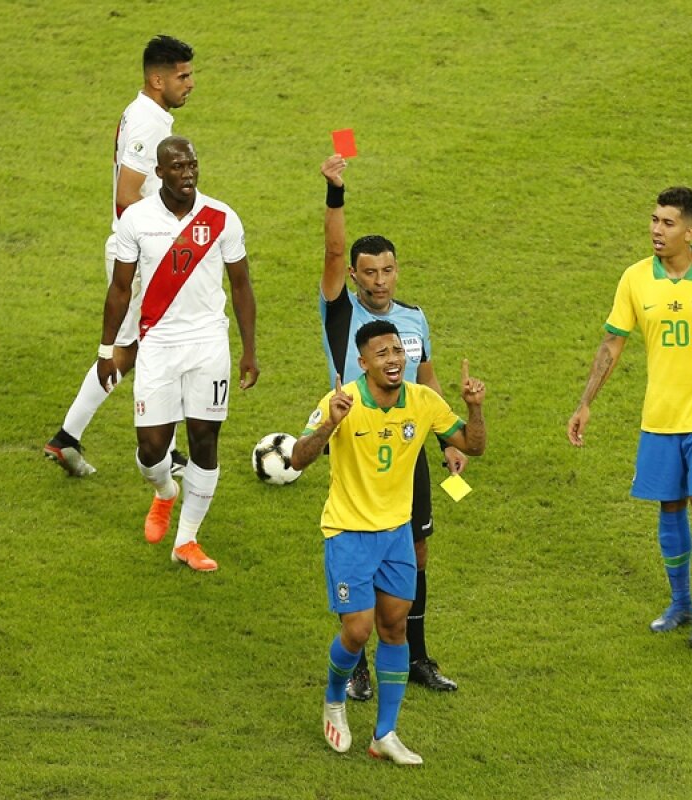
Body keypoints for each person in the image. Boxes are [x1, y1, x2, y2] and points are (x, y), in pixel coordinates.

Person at [567, 187, 692, 650]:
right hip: (659, 419)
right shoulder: (635, 279)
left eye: (667, 223)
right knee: (669, 508)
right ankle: (680, 604)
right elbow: (612, 344)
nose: (656, 229)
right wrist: (586, 401)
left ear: (690, 231)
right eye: (654, 220)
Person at [291, 320, 486, 764]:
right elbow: (298, 458)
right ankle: (334, 698)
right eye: (382, 354)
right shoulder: (342, 402)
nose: (394, 359)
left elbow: (473, 447)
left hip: (397, 534)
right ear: (363, 363)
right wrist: (329, 427)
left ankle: (385, 734)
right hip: (348, 532)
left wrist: (474, 408)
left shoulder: (422, 401)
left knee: (395, 628)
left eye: (397, 351)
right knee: (357, 631)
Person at [318, 155, 466, 698]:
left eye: (388, 271)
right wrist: (336, 192)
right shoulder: (338, 311)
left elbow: (427, 383)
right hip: (355, 446)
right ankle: (357, 663)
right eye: (369, 272)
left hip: (408, 449)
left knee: (417, 551)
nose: (379, 282)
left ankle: (418, 657)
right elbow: (333, 249)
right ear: (354, 275)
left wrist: (450, 440)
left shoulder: (414, 316)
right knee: (361, 552)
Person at [96, 136, 258, 571]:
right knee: (152, 448)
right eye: (178, 167)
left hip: (208, 343)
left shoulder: (220, 217)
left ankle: (186, 540)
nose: (188, 173)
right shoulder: (137, 219)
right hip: (159, 345)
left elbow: (241, 287)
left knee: (205, 438)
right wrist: (106, 349)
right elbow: (120, 288)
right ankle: (165, 492)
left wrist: (249, 350)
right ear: (159, 172)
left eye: (193, 165)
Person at [45, 34, 196, 477]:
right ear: (156, 79)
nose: (190, 84)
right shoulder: (149, 123)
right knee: (153, 353)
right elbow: (127, 197)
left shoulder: (147, 113)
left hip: (146, 254)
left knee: (134, 351)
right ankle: (159, 453)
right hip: (143, 256)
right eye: (182, 76)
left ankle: (67, 438)